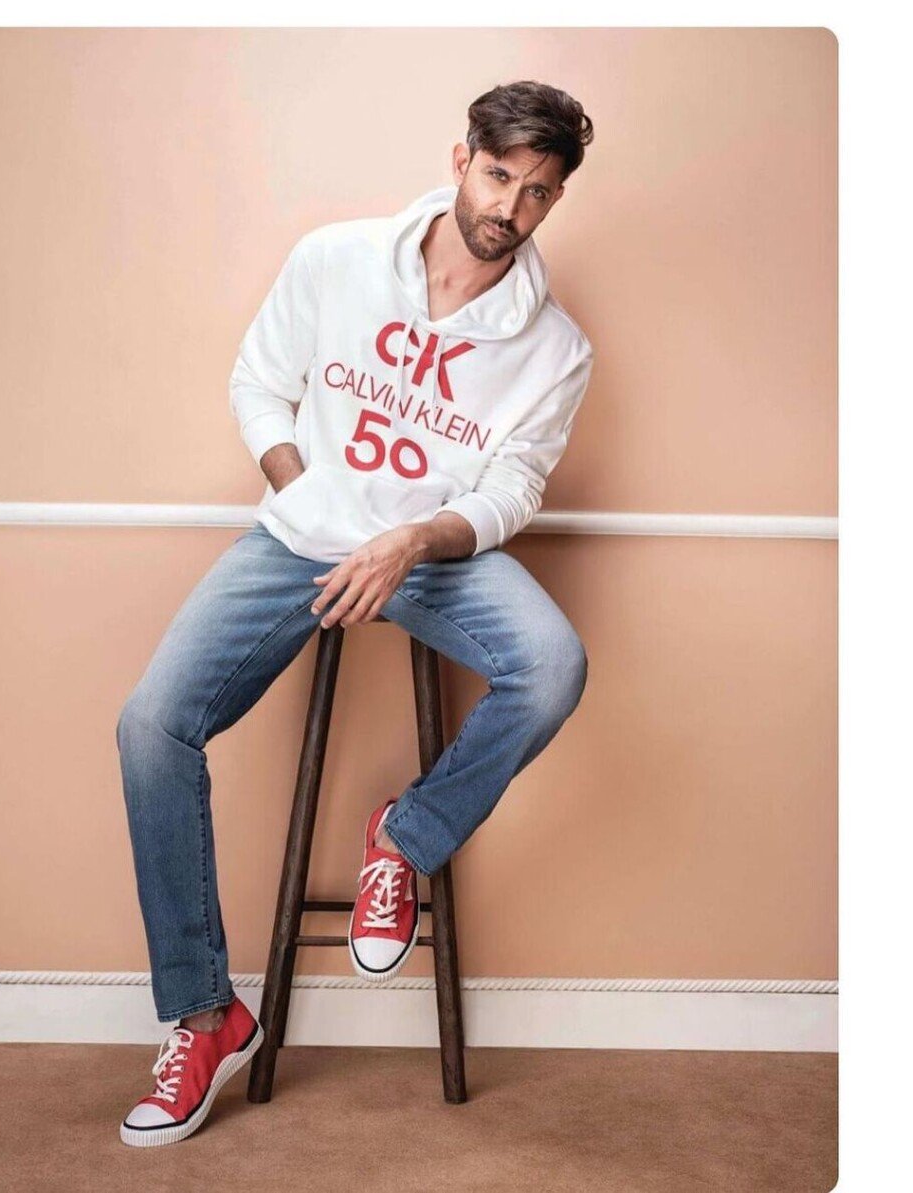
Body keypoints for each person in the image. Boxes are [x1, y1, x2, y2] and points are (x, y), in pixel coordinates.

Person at [116, 79, 595, 1147]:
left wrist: (410, 540)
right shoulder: (335, 259)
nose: (509, 207)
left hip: (430, 554)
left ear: (557, 198)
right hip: (302, 537)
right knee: (151, 725)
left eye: (537, 191)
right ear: (461, 157)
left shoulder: (556, 348)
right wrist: (311, 499)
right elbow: (258, 383)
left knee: (553, 663)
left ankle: (404, 837)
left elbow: (512, 488)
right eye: (498, 175)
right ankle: (204, 1012)